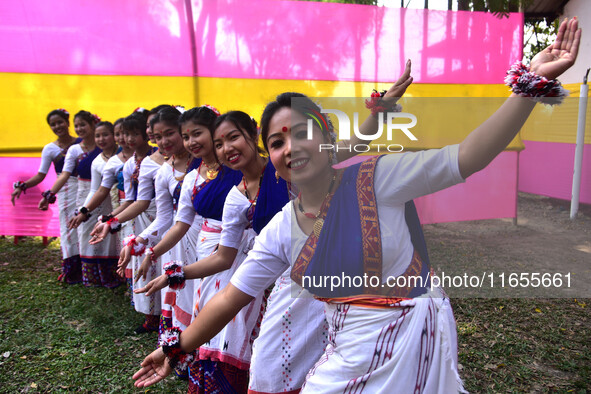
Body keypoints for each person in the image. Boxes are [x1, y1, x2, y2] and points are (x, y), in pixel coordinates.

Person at [132, 17, 581, 392]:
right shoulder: (281, 227)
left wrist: (528, 88)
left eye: (303, 132)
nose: (290, 148)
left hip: (415, 340)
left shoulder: (378, 179)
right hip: (349, 354)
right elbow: (231, 296)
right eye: (277, 142)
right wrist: (176, 347)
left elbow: (467, 157)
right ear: (272, 158)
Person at [12, 109, 82, 283]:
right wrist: (22, 186)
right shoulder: (50, 149)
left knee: (87, 227)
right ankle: (72, 271)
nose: (57, 126)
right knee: (68, 229)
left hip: (87, 189)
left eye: (60, 122)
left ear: (68, 122)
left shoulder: (83, 142)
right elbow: (40, 175)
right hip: (65, 191)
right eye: (53, 124)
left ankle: (90, 267)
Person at [39, 110, 103, 286]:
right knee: (71, 229)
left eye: (83, 124)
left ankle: (102, 270)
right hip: (74, 193)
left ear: (93, 125)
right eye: (78, 126)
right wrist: (49, 194)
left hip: (102, 192)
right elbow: (65, 174)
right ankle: (75, 271)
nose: (80, 128)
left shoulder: (104, 146)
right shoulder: (74, 149)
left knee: (99, 228)